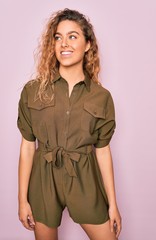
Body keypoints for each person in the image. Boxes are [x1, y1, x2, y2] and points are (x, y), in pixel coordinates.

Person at [17, 8, 122, 240]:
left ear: (87, 45)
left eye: (72, 36)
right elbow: (27, 147)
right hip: (43, 180)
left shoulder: (101, 97)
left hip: (84, 178)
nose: (64, 43)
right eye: (58, 37)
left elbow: (102, 150)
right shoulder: (33, 91)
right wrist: (22, 199)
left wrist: (113, 204)